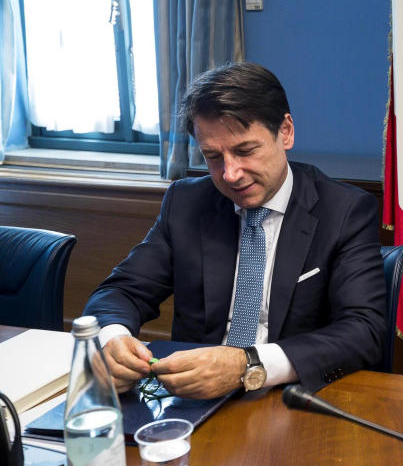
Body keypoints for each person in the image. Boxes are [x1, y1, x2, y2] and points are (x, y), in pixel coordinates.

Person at [83, 62, 385, 399]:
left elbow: (363, 331)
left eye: (244, 151)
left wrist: (248, 365)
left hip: (291, 397)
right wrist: (113, 339)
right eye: (213, 156)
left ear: (285, 132)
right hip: (191, 400)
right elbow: (122, 291)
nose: (230, 174)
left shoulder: (343, 211)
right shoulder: (187, 202)